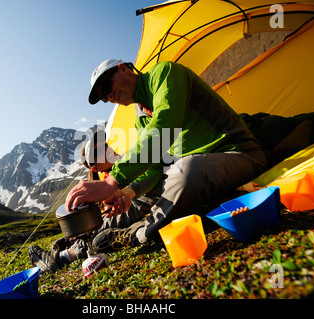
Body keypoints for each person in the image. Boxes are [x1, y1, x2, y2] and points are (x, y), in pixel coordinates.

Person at [65, 59, 267, 253]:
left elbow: (165, 127)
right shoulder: (141, 119)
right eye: (103, 96)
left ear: (123, 68)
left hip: (236, 153)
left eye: (106, 86)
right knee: (162, 182)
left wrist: (113, 182)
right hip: (202, 170)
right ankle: (81, 245)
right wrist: (128, 192)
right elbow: (156, 165)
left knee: (184, 171)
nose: (109, 96)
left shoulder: (164, 74)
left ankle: (141, 234)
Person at [28, 131, 163, 273]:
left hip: (143, 199)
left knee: (102, 227)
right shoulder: (104, 180)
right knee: (101, 223)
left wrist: (126, 191)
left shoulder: (128, 158)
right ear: (95, 168)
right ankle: (70, 247)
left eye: (105, 145)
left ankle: (62, 257)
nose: (107, 149)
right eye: (99, 152)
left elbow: (153, 172)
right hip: (138, 201)